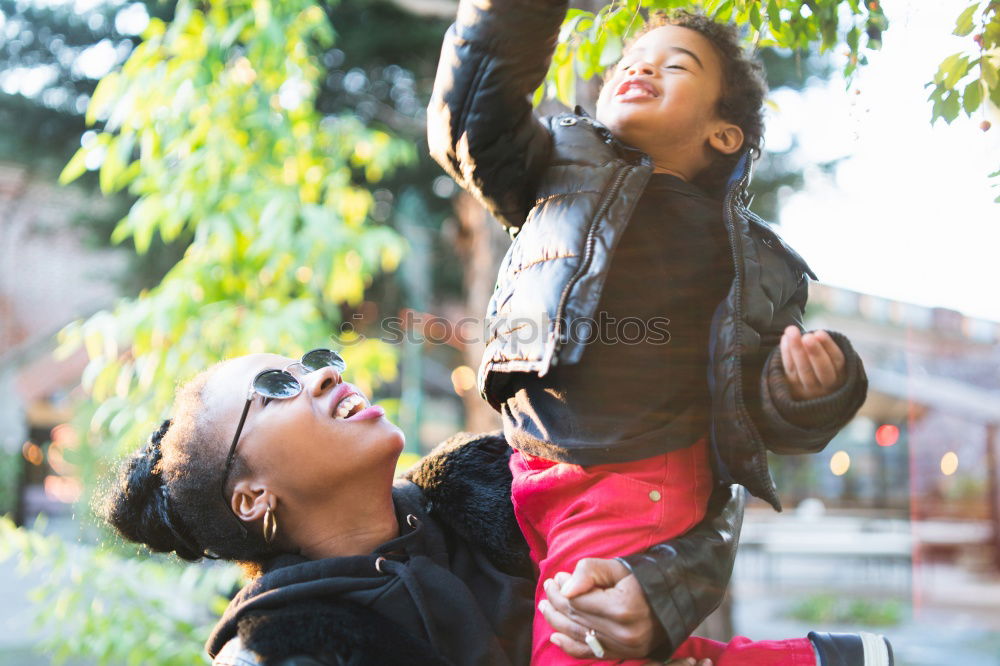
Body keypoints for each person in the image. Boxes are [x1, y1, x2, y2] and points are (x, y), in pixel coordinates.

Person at [428, 4, 890, 665]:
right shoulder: (555, 170)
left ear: (723, 135)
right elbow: (472, 121)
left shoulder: (755, 260)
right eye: (630, 61)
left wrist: (811, 387)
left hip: (638, 473)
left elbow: (758, 409)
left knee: (575, 643)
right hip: (533, 469)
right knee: (597, 644)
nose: (642, 64)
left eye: (677, 64)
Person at [102, 348, 749, 665]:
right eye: (277, 388)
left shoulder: (489, 479)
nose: (325, 375)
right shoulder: (279, 652)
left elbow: (682, 480)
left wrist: (659, 589)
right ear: (252, 498)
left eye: (313, 362)